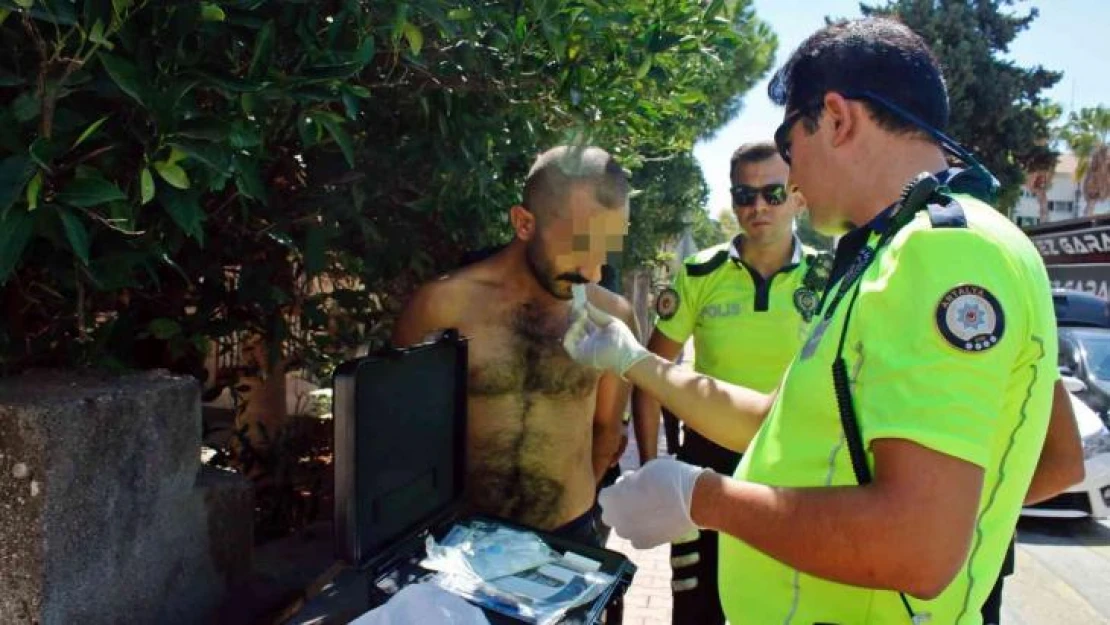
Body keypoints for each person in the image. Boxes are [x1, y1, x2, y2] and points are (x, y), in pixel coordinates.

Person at [561, 18, 1072, 624]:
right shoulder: (897, 252)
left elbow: (917, 547)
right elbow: (776, 424)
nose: (790, 174)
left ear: (836, 118)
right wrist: (633, 360)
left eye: (787, 143)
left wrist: (705, 499)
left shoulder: (939, 254)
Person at [392, 145, 637, 548]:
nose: (593, 273)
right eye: (579, 250)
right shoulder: (442, 306)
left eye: (604, 252)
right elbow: (400, 436)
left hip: (569, 539)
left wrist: (577, 516)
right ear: (524, 223)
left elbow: (608, 430)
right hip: (460, 547)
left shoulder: (612, 318)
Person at [631, 141, 829, 625]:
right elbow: (650, 373)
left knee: (784, 608)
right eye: (744, 195)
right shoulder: (700, 274)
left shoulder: (831, 279)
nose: (757, 206)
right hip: (708, 468)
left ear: (798, 196)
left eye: (772, 192)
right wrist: (650, 469)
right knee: (700, 609)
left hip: (796, 472)